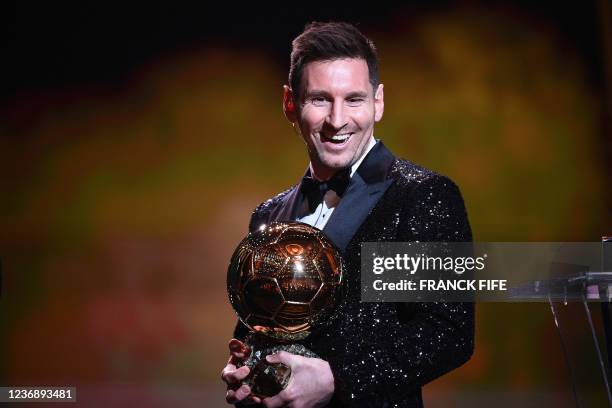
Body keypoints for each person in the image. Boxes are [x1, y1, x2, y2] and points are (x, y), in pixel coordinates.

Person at [221, 21, 474, 408]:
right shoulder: (269, 213)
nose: (338, 120)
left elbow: (447, 332)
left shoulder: (420, 196)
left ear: (379, 101)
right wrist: (249, 369)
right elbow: (260, 329)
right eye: (320, 99)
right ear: (290, 104)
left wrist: (335, 377)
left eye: (354, 99)